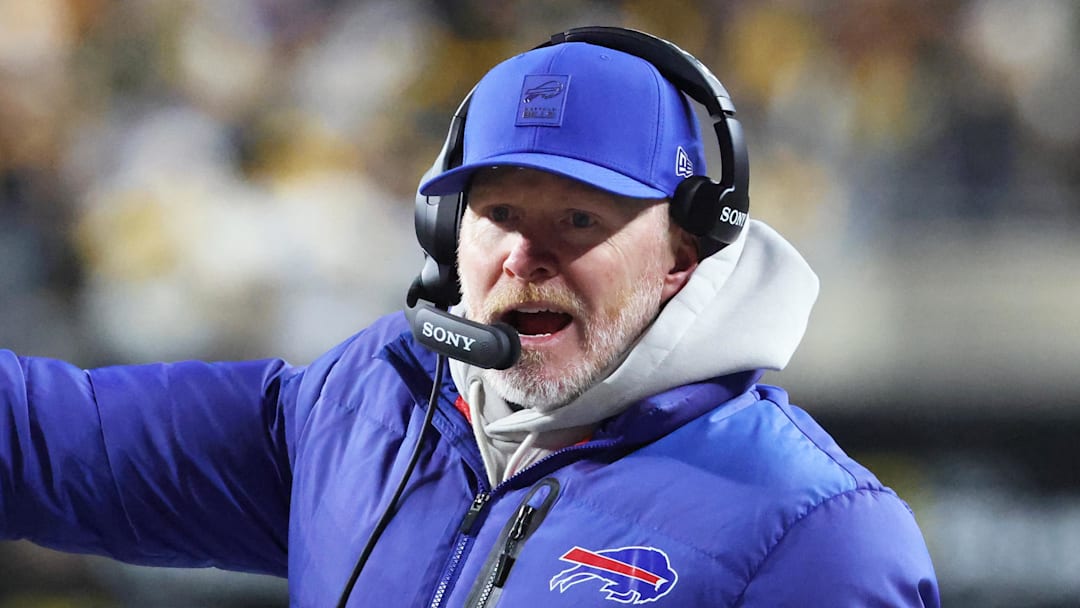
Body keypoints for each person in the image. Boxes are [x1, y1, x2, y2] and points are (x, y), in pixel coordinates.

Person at [0, 27, 939, 607]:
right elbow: (49, 445)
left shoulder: (816, 536)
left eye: (581, 219)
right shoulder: (367, 408)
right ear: (444, 230)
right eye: (497, 215)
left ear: (684, 255)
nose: (525, 257)